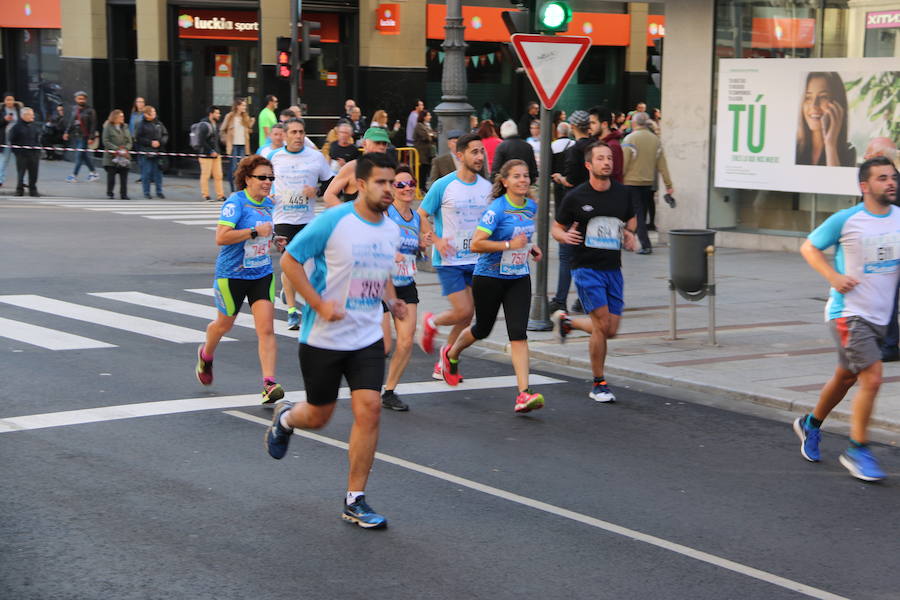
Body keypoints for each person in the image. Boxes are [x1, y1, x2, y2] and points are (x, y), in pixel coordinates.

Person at [267, 152, 406, 529]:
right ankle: (287, 418)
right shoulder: (334, 220)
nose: (389, 189)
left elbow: (381, 268)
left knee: (370, 409)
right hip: (323, 337)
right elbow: (290, 262)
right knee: (319, 415)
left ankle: (355, 499)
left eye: (392, 182)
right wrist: (318, 305)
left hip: (364, 337)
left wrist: (392, 300)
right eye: (380, 182)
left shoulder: (390, 229)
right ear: (359, 184)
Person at [793, 157, 898, 481]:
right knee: (873, 377)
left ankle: (810, 423)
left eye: (893, 177)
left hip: (881, 316)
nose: (891, 182)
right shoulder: (847, 219)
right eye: (882, 178)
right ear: (865, 187)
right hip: (849, 314)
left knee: (846, 378)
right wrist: (833, 276)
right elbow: (809, 247)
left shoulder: (899, 219)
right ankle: (857, 449)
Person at [438, 159, 546, 413]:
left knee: (518, 333)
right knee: (482, 329)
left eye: (526, 176)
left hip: (518, 277)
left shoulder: (531, 206)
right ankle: (451, 354)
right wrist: (509, 246)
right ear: (504, 181)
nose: (523, 180)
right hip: (489, 277)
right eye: (516, 176)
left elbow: (522, 237)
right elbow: (477, 243)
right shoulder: (496, 209)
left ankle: (523, 394)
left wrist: (531, 248)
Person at [550, 141, 638, 403]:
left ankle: (567, 322)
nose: (607, 162)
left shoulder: (622, 194)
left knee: (611, 329)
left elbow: (630, 218)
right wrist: (564, 236)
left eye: (609, 158)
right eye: (600, 158)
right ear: (589, 165)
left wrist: (629, 234)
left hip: (613, 269)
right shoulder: (576, 197)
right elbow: (556, 227)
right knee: (601, 324)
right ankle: (599, 383)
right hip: (586, 268)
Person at [195, 154, 286, 404]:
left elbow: (265, 232)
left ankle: (268, 383)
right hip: (232, 274)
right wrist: (255, 232)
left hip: (260, 273)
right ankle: (206, 354)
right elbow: (221, 237)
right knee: (223, 326)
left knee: (266, 329)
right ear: (247, 179)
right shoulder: (236, 203)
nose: (267, 182)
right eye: (262, 177)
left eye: (271, 178)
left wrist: (274, 239)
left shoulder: (268, 205)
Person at [417, 133, 492, 378]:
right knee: (462, 312)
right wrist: (436, 241)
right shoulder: (444, 185)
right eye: (474, 152)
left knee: (467, 316)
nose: (480, 156)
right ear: (460, 156)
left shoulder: (488, 188)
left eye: (482, 151)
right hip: (450, 259)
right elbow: (422, 214)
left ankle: (445, 361)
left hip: (477, 259)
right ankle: (431, 323)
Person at [269, 118, 334, 330]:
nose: (298, 136)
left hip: (307, 219)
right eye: (294, 132)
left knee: (309, 267)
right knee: (290, 264)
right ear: (285, 135)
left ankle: (302, 300)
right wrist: (265, 195)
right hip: (283, 219)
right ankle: (291, 311)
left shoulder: (315, 157)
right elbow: (261, 180)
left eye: (301, 132)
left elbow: (330, 182)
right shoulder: (274, 157)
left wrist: (316, 191)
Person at [381, 164, 425, 412]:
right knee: (383, 345)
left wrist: (421, 246)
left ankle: (389, 391)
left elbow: (416, 249)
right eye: (400, 184)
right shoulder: (385, 214)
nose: (407, 188)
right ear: (392, 189)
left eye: (411, 183)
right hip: (380, 285)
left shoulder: (417, 217)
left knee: (406, 341)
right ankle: (363, 383)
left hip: (406, 283)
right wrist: (391, 253)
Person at [549, 110, 595, 314]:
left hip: (574, 210)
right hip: (594, 209)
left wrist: (559, 177)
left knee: (566, 256)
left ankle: (560, 300)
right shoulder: (595, 147)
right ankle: (585, 300)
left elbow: (570, 180)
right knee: (587, 257)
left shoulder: (575, 150)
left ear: (573, 127)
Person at [622, 111, 673, 255]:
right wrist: (668, 184)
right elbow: (662, 165)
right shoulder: (655, 140)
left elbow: (624, 163)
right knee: (641, 213)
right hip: (647, 183)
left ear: (634, 123)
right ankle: (634, 241)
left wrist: (619, 178)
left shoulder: (629, 139)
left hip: (630, 182)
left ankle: (644, 244)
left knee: (632, 213)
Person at [795, 72, 856, 167]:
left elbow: (836, 180)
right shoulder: (793, 147)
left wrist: (830, 144)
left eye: (823, 97)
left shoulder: (848, 152)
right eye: (808, 98)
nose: (814, 105)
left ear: (837, 105)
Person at [323, 127, 391, 206]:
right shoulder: (352, 167)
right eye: (377, 143)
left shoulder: (387, 170)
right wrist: (348, 214)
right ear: (364, 144)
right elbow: (329, 195)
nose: (382, 147)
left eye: (384, 143)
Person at [63, 91, 99, 183]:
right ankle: (94, 173)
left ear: (86, 99)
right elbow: (71, 122)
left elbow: (93, 125)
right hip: (77, 135)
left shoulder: (90, 110)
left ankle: (74, 175)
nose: (81, 100)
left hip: (85, 136)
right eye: (79, 98)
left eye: (83, 98)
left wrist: (91, 137)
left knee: (79, 156)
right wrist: (67, 132)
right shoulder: (74, 109)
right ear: (76, 99)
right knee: (83, 156)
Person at [220, 98, 255, 193]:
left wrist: (251, 123)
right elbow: (222, 129)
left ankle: (240, 190)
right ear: (237, 106)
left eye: (245, 105)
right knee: (233, 169)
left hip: (243, 146)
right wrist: (226, 140)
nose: (244, 107)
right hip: (233, 146)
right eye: (243, 105)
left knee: (242, 169)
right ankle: (232, 190)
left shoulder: (245, 117)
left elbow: (249, 130)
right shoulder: (230, 116)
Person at [134, 105, 168, 199]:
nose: (154, 114)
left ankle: (159, 191)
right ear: (146, 114)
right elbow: (138, 138)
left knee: (158, 173)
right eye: (152, 112)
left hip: (158, 151)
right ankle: (146, 192)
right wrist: (150, 143)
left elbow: (165, 134)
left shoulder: (159, 123)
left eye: (154, 112)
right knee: (146, 172)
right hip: (146, 152)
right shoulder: (141, 124)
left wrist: (160, 142)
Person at [491, 119, 537, 184]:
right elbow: (533, 170)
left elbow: (496, 170)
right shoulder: (527, 146)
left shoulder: (501, 147)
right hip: (524, 184)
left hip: (507, 185)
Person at [100, 109, 133, 200]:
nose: (123, 118)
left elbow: (129, 141)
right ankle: (110, 193)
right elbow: (105, 141)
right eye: (121, 116)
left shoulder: (125, 126)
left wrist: (125, 149)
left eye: (123, 116)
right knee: (111, 176)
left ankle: (124, 194)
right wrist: (117, 149)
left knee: (124, 176)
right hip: (112, 156)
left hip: (124, 156)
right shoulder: (108, 127)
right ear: (115, 117)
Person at [9, 107, 41, 197]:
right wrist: (17, 151)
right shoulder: (17, 127)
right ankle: (19, 190)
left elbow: (37, 138)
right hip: (22, 154)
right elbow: (11, 139)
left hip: (34, 153)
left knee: (34, 173)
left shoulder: (34, 126)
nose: (33, 116)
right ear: (24, 115)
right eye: (31, 114)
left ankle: (33, 190)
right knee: (21, 173)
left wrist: (38, 150)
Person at [197, 106, 225, 202]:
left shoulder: (216, 124)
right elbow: (201, 141)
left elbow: (216, 141)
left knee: (218, 175)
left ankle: (220, 195)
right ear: (211, 114)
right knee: (206, 175)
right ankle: (206, 195)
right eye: (217, 113)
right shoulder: (204, 125)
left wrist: (217, 151)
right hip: (205, 155)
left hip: (216, 154)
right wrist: (210, 151)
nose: (219, 115)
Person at [589, 105, 624, 183]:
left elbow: (614, 175)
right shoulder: (600, 143)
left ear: (604, 124)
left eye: (593, 123)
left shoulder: (613, 146)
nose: (589, 126)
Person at [1, 93, 23, 188]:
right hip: (5, 139)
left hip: (18, 138)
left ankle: (21, 181)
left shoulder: (19, 110)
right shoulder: (1, 110)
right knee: (4, 160)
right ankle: (0, 179)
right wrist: (5, 120)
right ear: (4, 101)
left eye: (11, 99)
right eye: (8, 99)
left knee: (21, 161)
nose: (10, 102)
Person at [413, 109, 436, 185]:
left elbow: (434, 136)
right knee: (422, 171)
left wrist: (431, 135)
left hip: (428, 153)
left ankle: (423, 186)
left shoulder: (427, 126)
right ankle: (420, 187)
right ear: (424, 117)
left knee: (427, 170)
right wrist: (430, 135)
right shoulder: (419, 126)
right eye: (428, 115)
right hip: (422, 153)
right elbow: (426, 137)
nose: (430, 117)